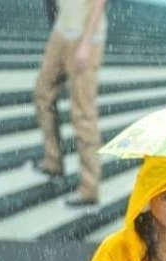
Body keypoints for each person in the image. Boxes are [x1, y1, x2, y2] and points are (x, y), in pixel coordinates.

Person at [34, 0, 107, 207]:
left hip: (86, 37)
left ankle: (89, 187)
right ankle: (53, 160)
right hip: (62, 30)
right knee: (42, 92)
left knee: (83, 114)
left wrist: (86, 42)